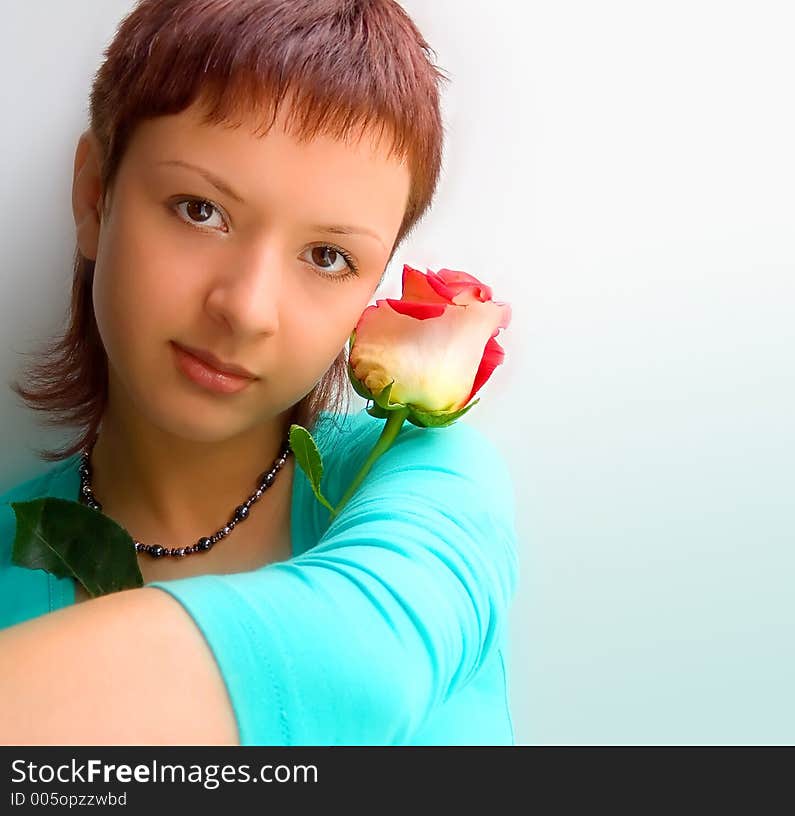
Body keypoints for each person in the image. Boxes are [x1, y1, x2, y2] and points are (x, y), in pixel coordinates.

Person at [0, 0, 519, 745]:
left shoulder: (426, 489)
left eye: (327, 257)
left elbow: (365, 668)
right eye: (200, 209)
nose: (246, 310)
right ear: (94, 195)